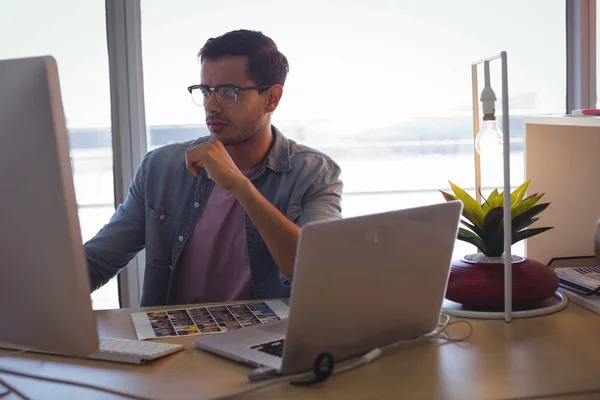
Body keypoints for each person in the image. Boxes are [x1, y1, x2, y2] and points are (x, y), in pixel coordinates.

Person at [85, 29, 343, 307]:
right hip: (176, 343)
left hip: (266, 343)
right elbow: (98, 261)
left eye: (228, 92)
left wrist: (239, 185)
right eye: (206, 91)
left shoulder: (314, 173)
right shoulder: (161, 168)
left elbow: (319, 267)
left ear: (272, 98)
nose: (211, 106)